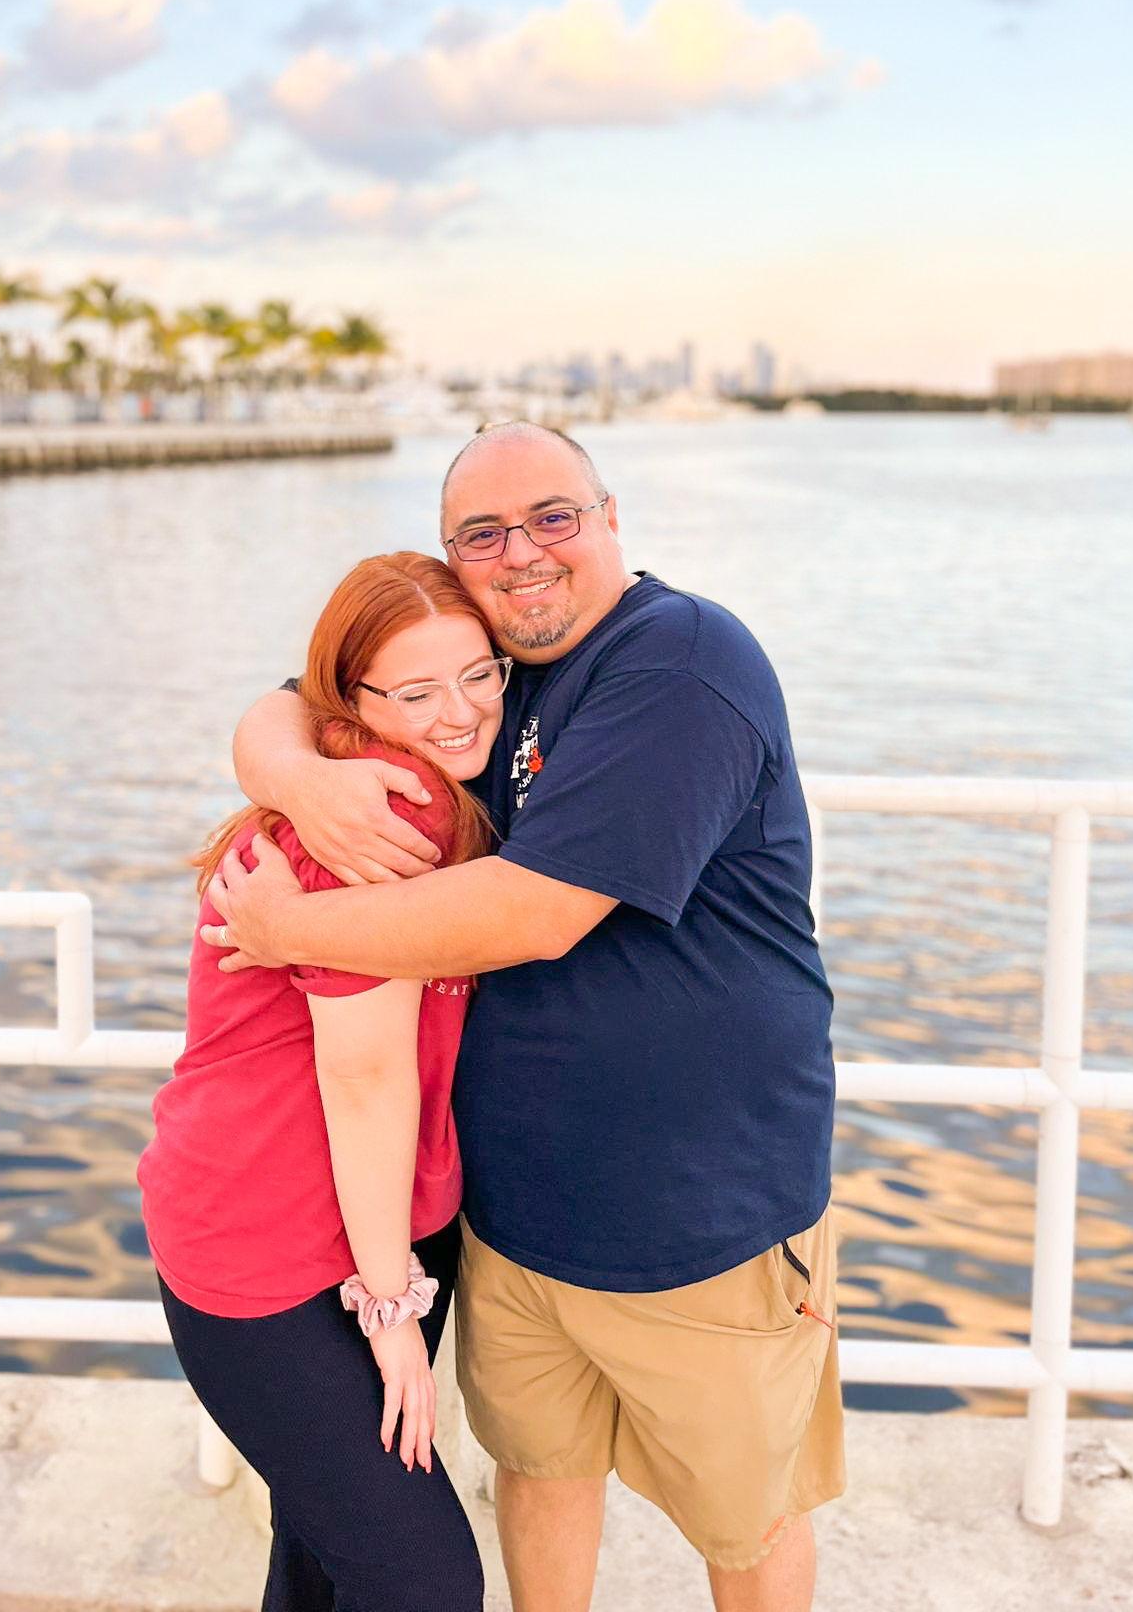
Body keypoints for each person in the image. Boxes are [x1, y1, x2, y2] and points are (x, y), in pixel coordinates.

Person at [205, 422, 844, 1612]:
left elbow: (533, 911)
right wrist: (301, 780)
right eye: (482, 533)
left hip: (700, 1217)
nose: (523, 553)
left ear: (610, 517)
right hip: (516, 1220)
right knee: (540, 1475)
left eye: (553, 516)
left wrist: (291, 932)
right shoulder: (483, 662)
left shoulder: (680, 659)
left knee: (746, 1516)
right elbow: (286, 698)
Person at [137, 551, 504, 1612]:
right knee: (423, 1578)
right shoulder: (374, 818)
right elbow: (365, 1070)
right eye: (418, 689)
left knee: (321, 1558)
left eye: (477, 674)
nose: (458, 710)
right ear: (352, 696)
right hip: (270, 1246)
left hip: (376, 1220)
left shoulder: (394, 778)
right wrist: (390, 1309)